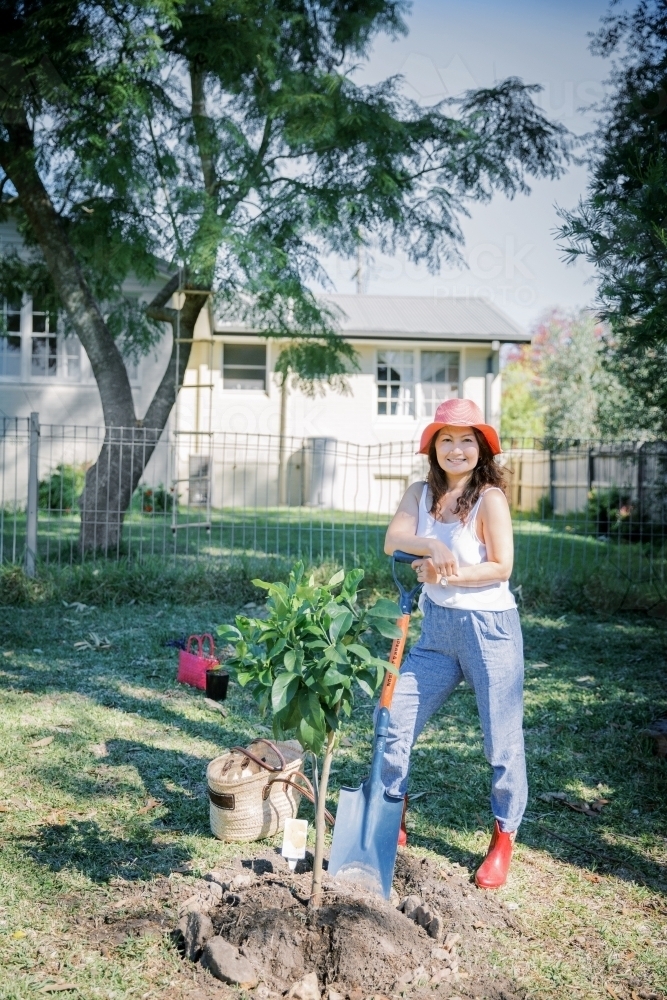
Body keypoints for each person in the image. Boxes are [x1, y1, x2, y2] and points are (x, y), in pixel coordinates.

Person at [382, 397, 526, 889]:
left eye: (468, 440)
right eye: (448, 439)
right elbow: (393, 539)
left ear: (481, 449)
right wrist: (433, 546)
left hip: (490, 631)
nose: (457, 448)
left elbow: (501, 566)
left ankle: (503, 839)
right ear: (434, 447)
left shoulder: (490, 499)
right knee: (392, 717)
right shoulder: (420, 493)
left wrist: (445, 572)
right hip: (437, 633)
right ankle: (390, 817)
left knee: (501, 741)